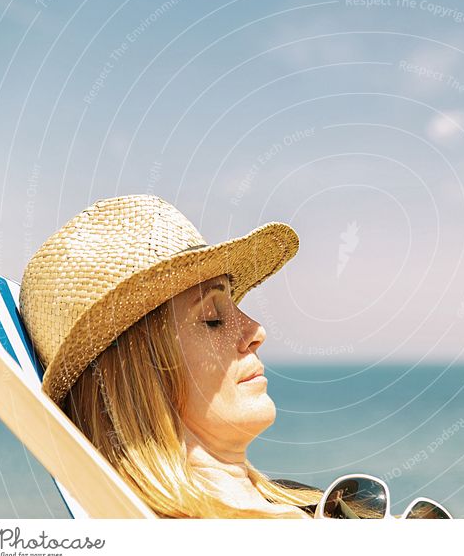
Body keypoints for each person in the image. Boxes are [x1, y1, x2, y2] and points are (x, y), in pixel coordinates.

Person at [18, 194, 322, 518]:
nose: (256, 331)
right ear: (139, 378)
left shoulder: (300, 503)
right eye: (212, 318)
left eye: (235, 306)